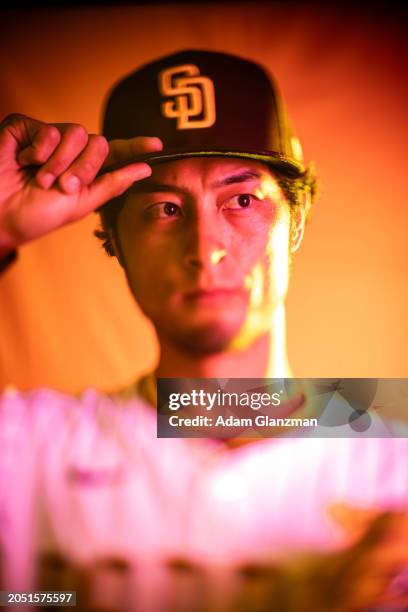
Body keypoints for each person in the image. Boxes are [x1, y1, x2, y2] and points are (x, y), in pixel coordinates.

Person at [0, 50, 407, 611]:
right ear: (114, 241)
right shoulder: (27, 450)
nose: (204, 248)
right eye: (165, 209)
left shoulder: (395, 470)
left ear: (296, 224)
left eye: (242, 200)